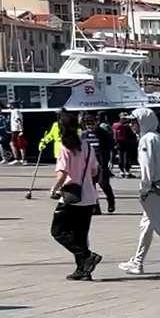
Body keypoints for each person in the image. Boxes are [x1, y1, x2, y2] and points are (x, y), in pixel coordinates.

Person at [119, 111, 160, 278]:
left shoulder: (146, 140)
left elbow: (147, 168)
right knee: (146, 226)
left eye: (134, 122)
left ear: (142, 122)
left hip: (152, 190)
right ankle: (138, 262)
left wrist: (144, 189)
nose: (131, 125)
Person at [49, 116, 102, 279]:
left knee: (58, 231)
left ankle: (87, 256)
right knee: (80, 234)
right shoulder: (86, 145)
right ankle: (83, 270)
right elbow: (95, 171)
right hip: (88, 196)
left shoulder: (65, 147)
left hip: (71, 197)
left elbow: (62, 174)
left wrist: (54, 189)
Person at [85, 114, 118, 213]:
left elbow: (112, 146)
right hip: (89, 164)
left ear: (96, 122)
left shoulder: (103, 133)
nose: (90, 126)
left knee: (104, 184)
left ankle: (111, 201)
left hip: (102, 163)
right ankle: (96, 206)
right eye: (88, 124)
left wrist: (111, 160)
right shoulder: (84, 135)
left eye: (92, 123)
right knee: (91, 186)